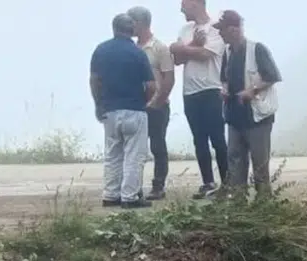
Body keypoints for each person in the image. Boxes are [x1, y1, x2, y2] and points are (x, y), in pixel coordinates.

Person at [90, 13, 155, 209]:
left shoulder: (101, 50)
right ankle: (130, 196)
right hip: (134, 109)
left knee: (113, 154)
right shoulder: (137, 53)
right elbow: (151, 85)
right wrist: (143, 102)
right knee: (134, 155)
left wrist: (98, 104)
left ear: (114, 28)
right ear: (132, 30)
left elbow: (94, 80)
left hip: (110, 109)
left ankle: (110, 194)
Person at [217, 11, 281, 199]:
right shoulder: (227, 53)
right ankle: (239, 203)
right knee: (235, 161)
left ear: (234, 29)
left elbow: (272, 76)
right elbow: (224, 78)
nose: (220, 34)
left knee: (259, 163)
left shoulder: (257, 49)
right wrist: (224, 89)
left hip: (257, 116)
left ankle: (263, 201)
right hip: (234, 116)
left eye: (222, 30)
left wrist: (251, 90)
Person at [171, 0, 229, 199]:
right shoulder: (186, 29)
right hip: (190, 92)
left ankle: (228, 183)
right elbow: (176, 58)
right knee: (199, 139)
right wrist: (194, 44)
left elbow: (205, 54)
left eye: (184, 5)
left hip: (211, 89)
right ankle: (207, 182)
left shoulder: (215, 28)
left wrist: (184, 48)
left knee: (217, 138)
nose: (181, 9)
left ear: (195, 3)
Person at [128, 6, 175, 200]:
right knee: (135, 149)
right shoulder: (131, 48)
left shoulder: (159, 48)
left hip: (156, 106)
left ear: (139, 23)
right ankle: (133, 187)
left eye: (131, 22)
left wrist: (158, 101)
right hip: (136, 106)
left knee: (157, 146)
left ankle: (158, 185)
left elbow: (168, 78)